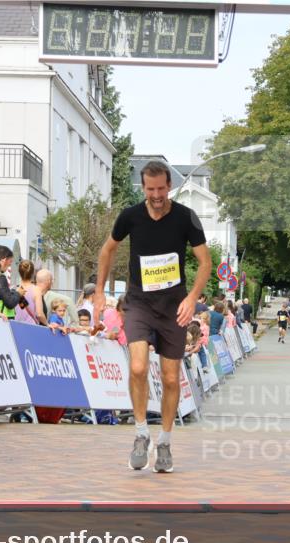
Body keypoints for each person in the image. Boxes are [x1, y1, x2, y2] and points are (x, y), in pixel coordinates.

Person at [92, 159, 210, 474]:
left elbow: (205, 262)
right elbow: (107, 250)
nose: (156, 194)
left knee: (171, 378)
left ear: (169, 186)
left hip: (174, 306)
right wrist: (100, 291)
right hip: (140, 303)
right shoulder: (130, 216)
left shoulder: (187, 217)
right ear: (142, 187)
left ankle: (166, 442)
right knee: (138, 366)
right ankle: (141, 433)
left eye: (160, 188)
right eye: (149, 189)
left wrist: (191, 298)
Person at [14, 259, 39, 324]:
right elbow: (40, 314)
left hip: (15, 326)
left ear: (19, 272)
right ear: (33, 273)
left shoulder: (13, 289)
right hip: (31, 326)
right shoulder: (36, 290)